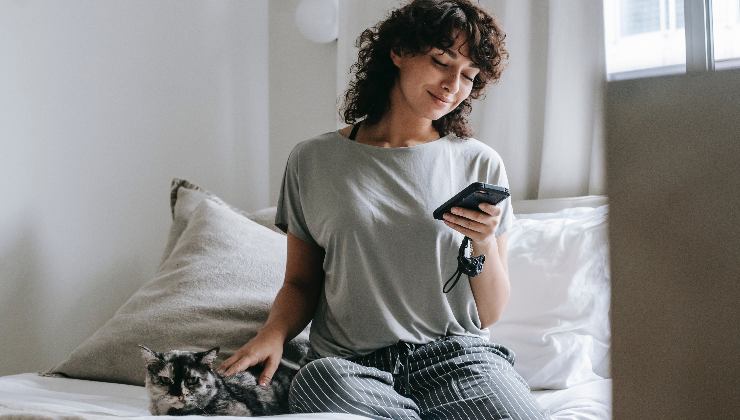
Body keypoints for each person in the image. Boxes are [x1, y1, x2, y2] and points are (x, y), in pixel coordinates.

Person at [217, 0, 550, 418]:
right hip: (349, 368)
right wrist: (273, 335)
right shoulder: (312, 160)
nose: (453, 85)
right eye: (441, 61)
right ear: (398, 52)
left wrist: (481, 241)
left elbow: (491, 312)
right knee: (317, 383)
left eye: (468, 76)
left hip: (458, 360)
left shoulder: (479, 163)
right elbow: (301, 282)